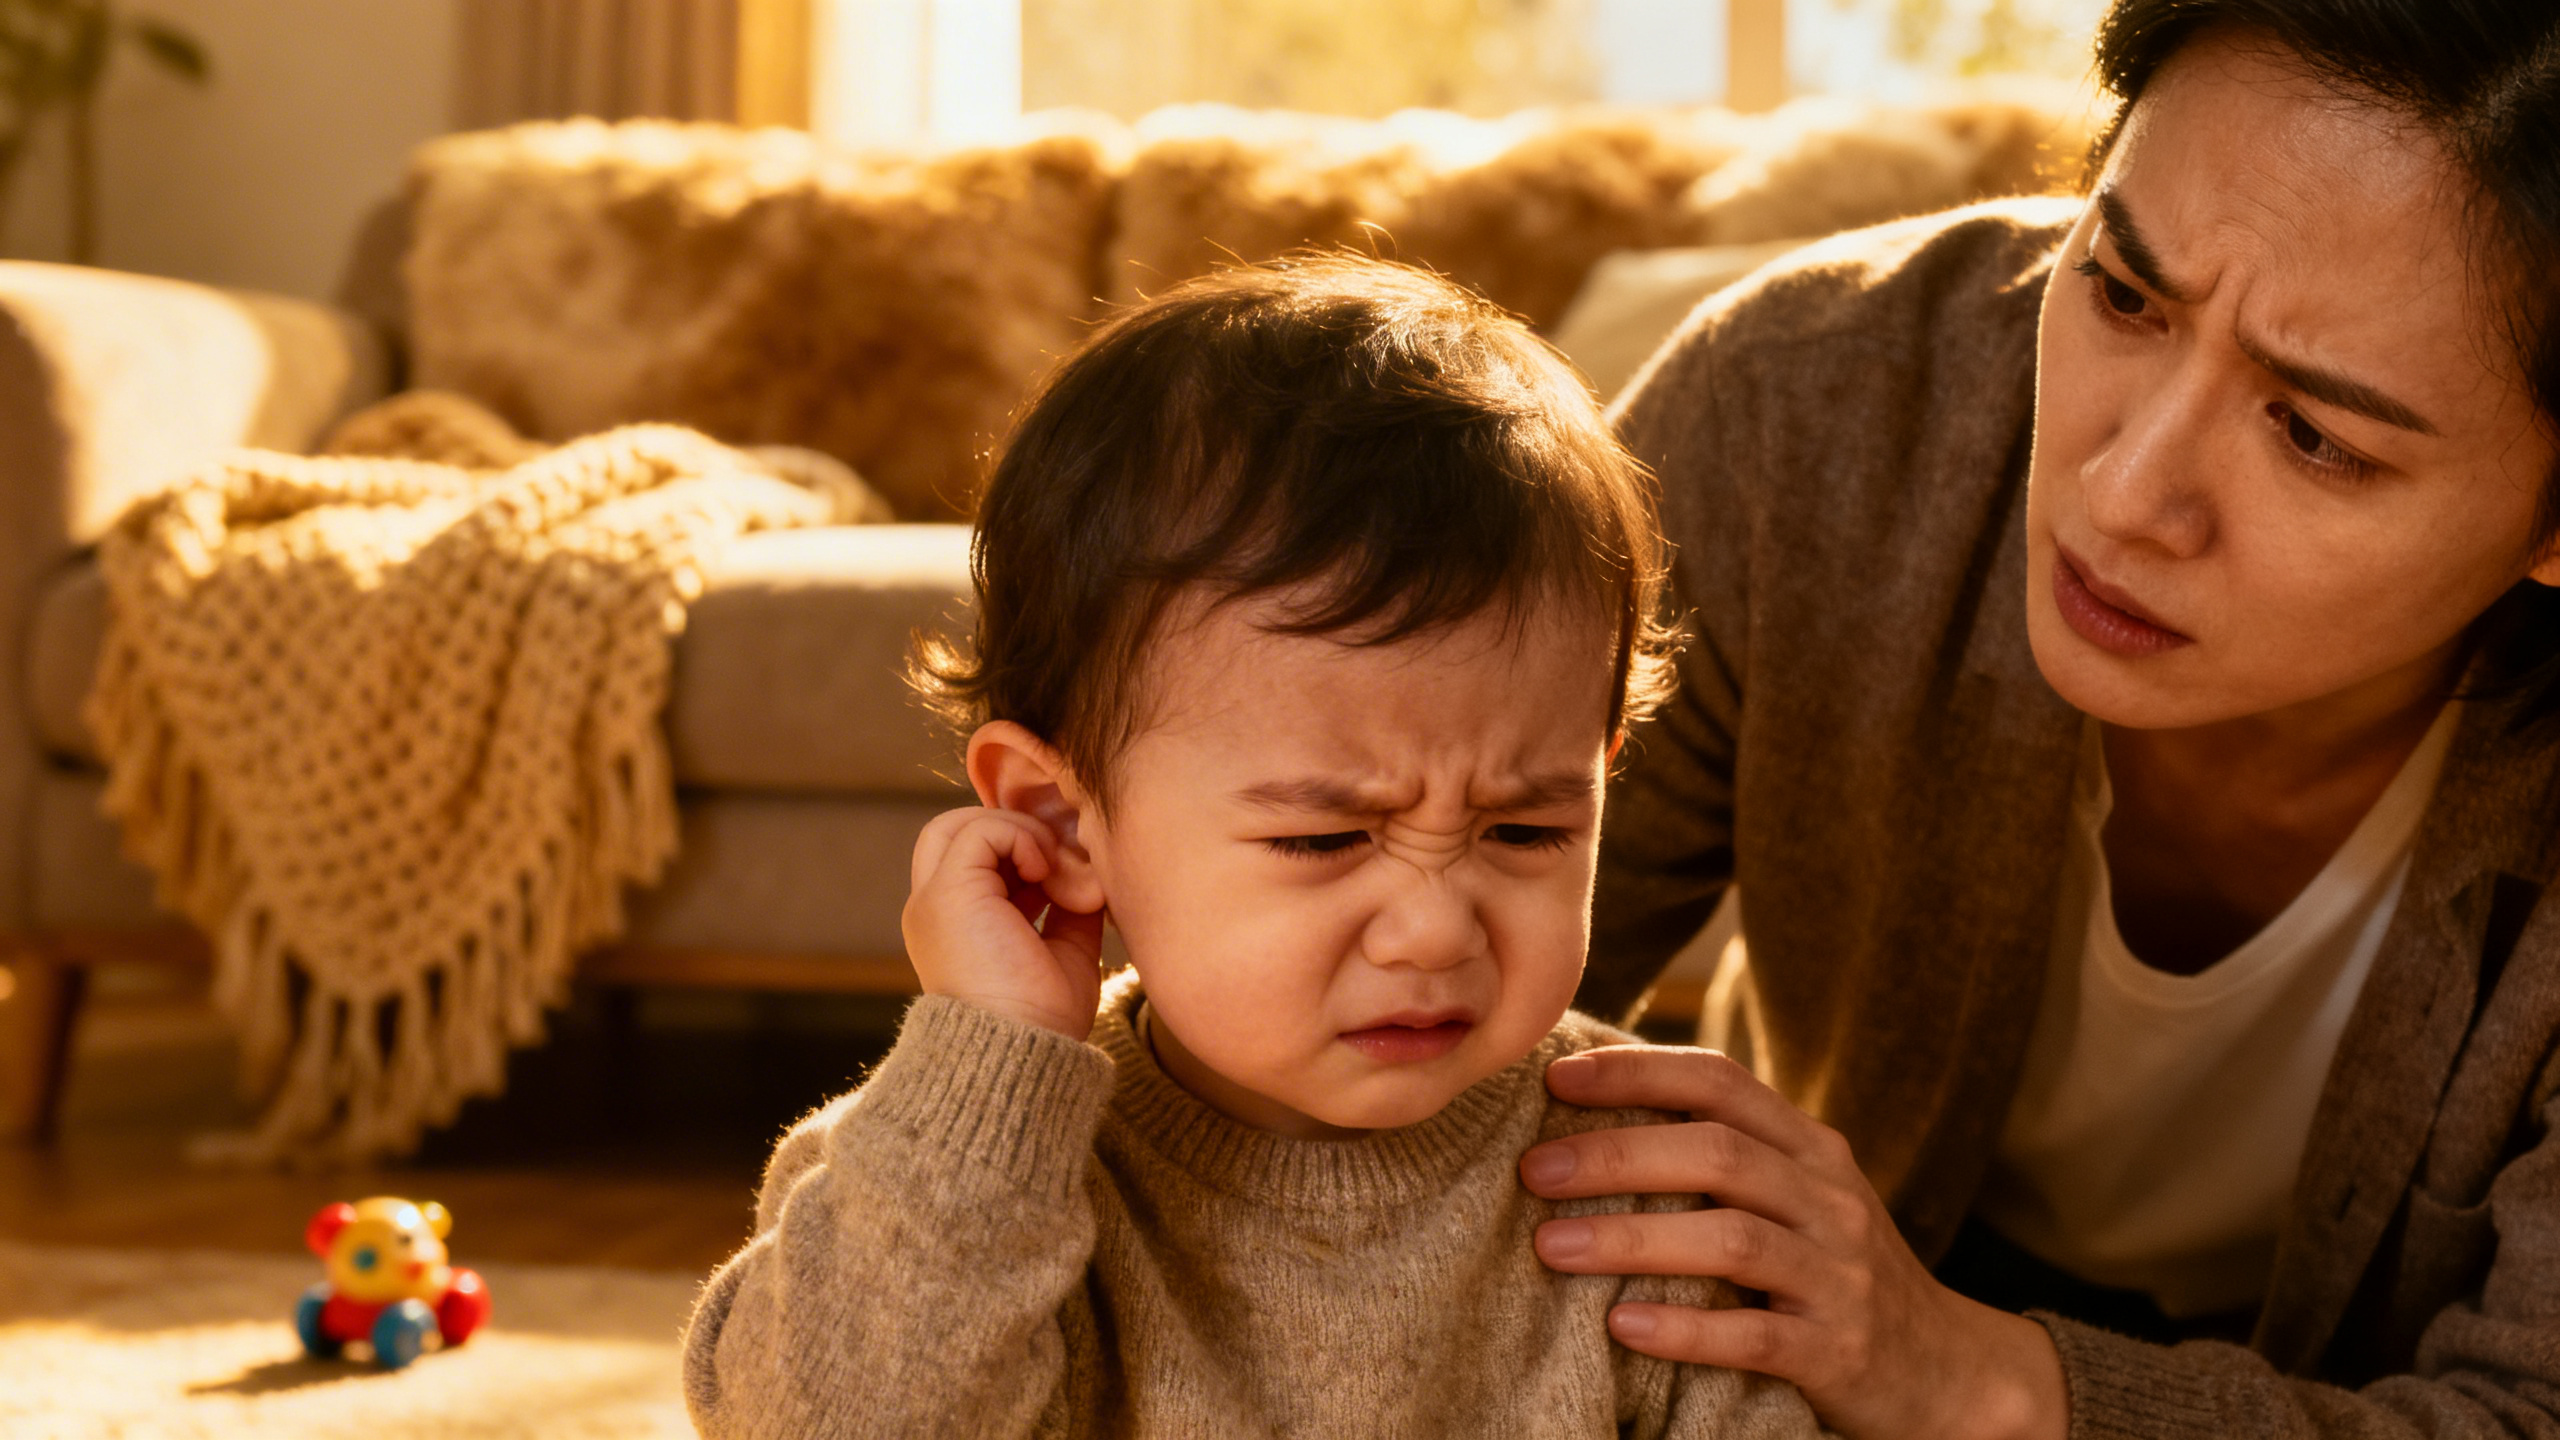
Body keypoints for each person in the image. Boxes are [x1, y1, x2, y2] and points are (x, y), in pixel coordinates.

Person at [1525, 2, 2560, 1437]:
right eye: (2127, 295)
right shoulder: (1809, 407)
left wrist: (1971, 1378)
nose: (2128, 493)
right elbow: (1378, 976)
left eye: (2316, 435)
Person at [678, 255, 1823, 1438]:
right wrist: (993, 1060)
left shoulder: (1653, 1194)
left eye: (1525, 827)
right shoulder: (949, 1169)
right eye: (1326, 837)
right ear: (1063, 824)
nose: (1436, 926)